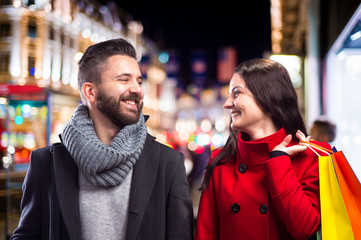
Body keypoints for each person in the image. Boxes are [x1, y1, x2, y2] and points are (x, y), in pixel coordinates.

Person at [11, 38, 194, 240]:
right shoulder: (46, 163)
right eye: (124, 80)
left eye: (139, 81)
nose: (137, 89)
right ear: (91, 91)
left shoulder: (167, 163)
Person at [194, 58, 330, 240]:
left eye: (236, 93)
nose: (227, 103)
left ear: (268, 96)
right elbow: (205, 234)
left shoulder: (312, 155)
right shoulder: (221, 159)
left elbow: (304, 228)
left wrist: (279, 161)